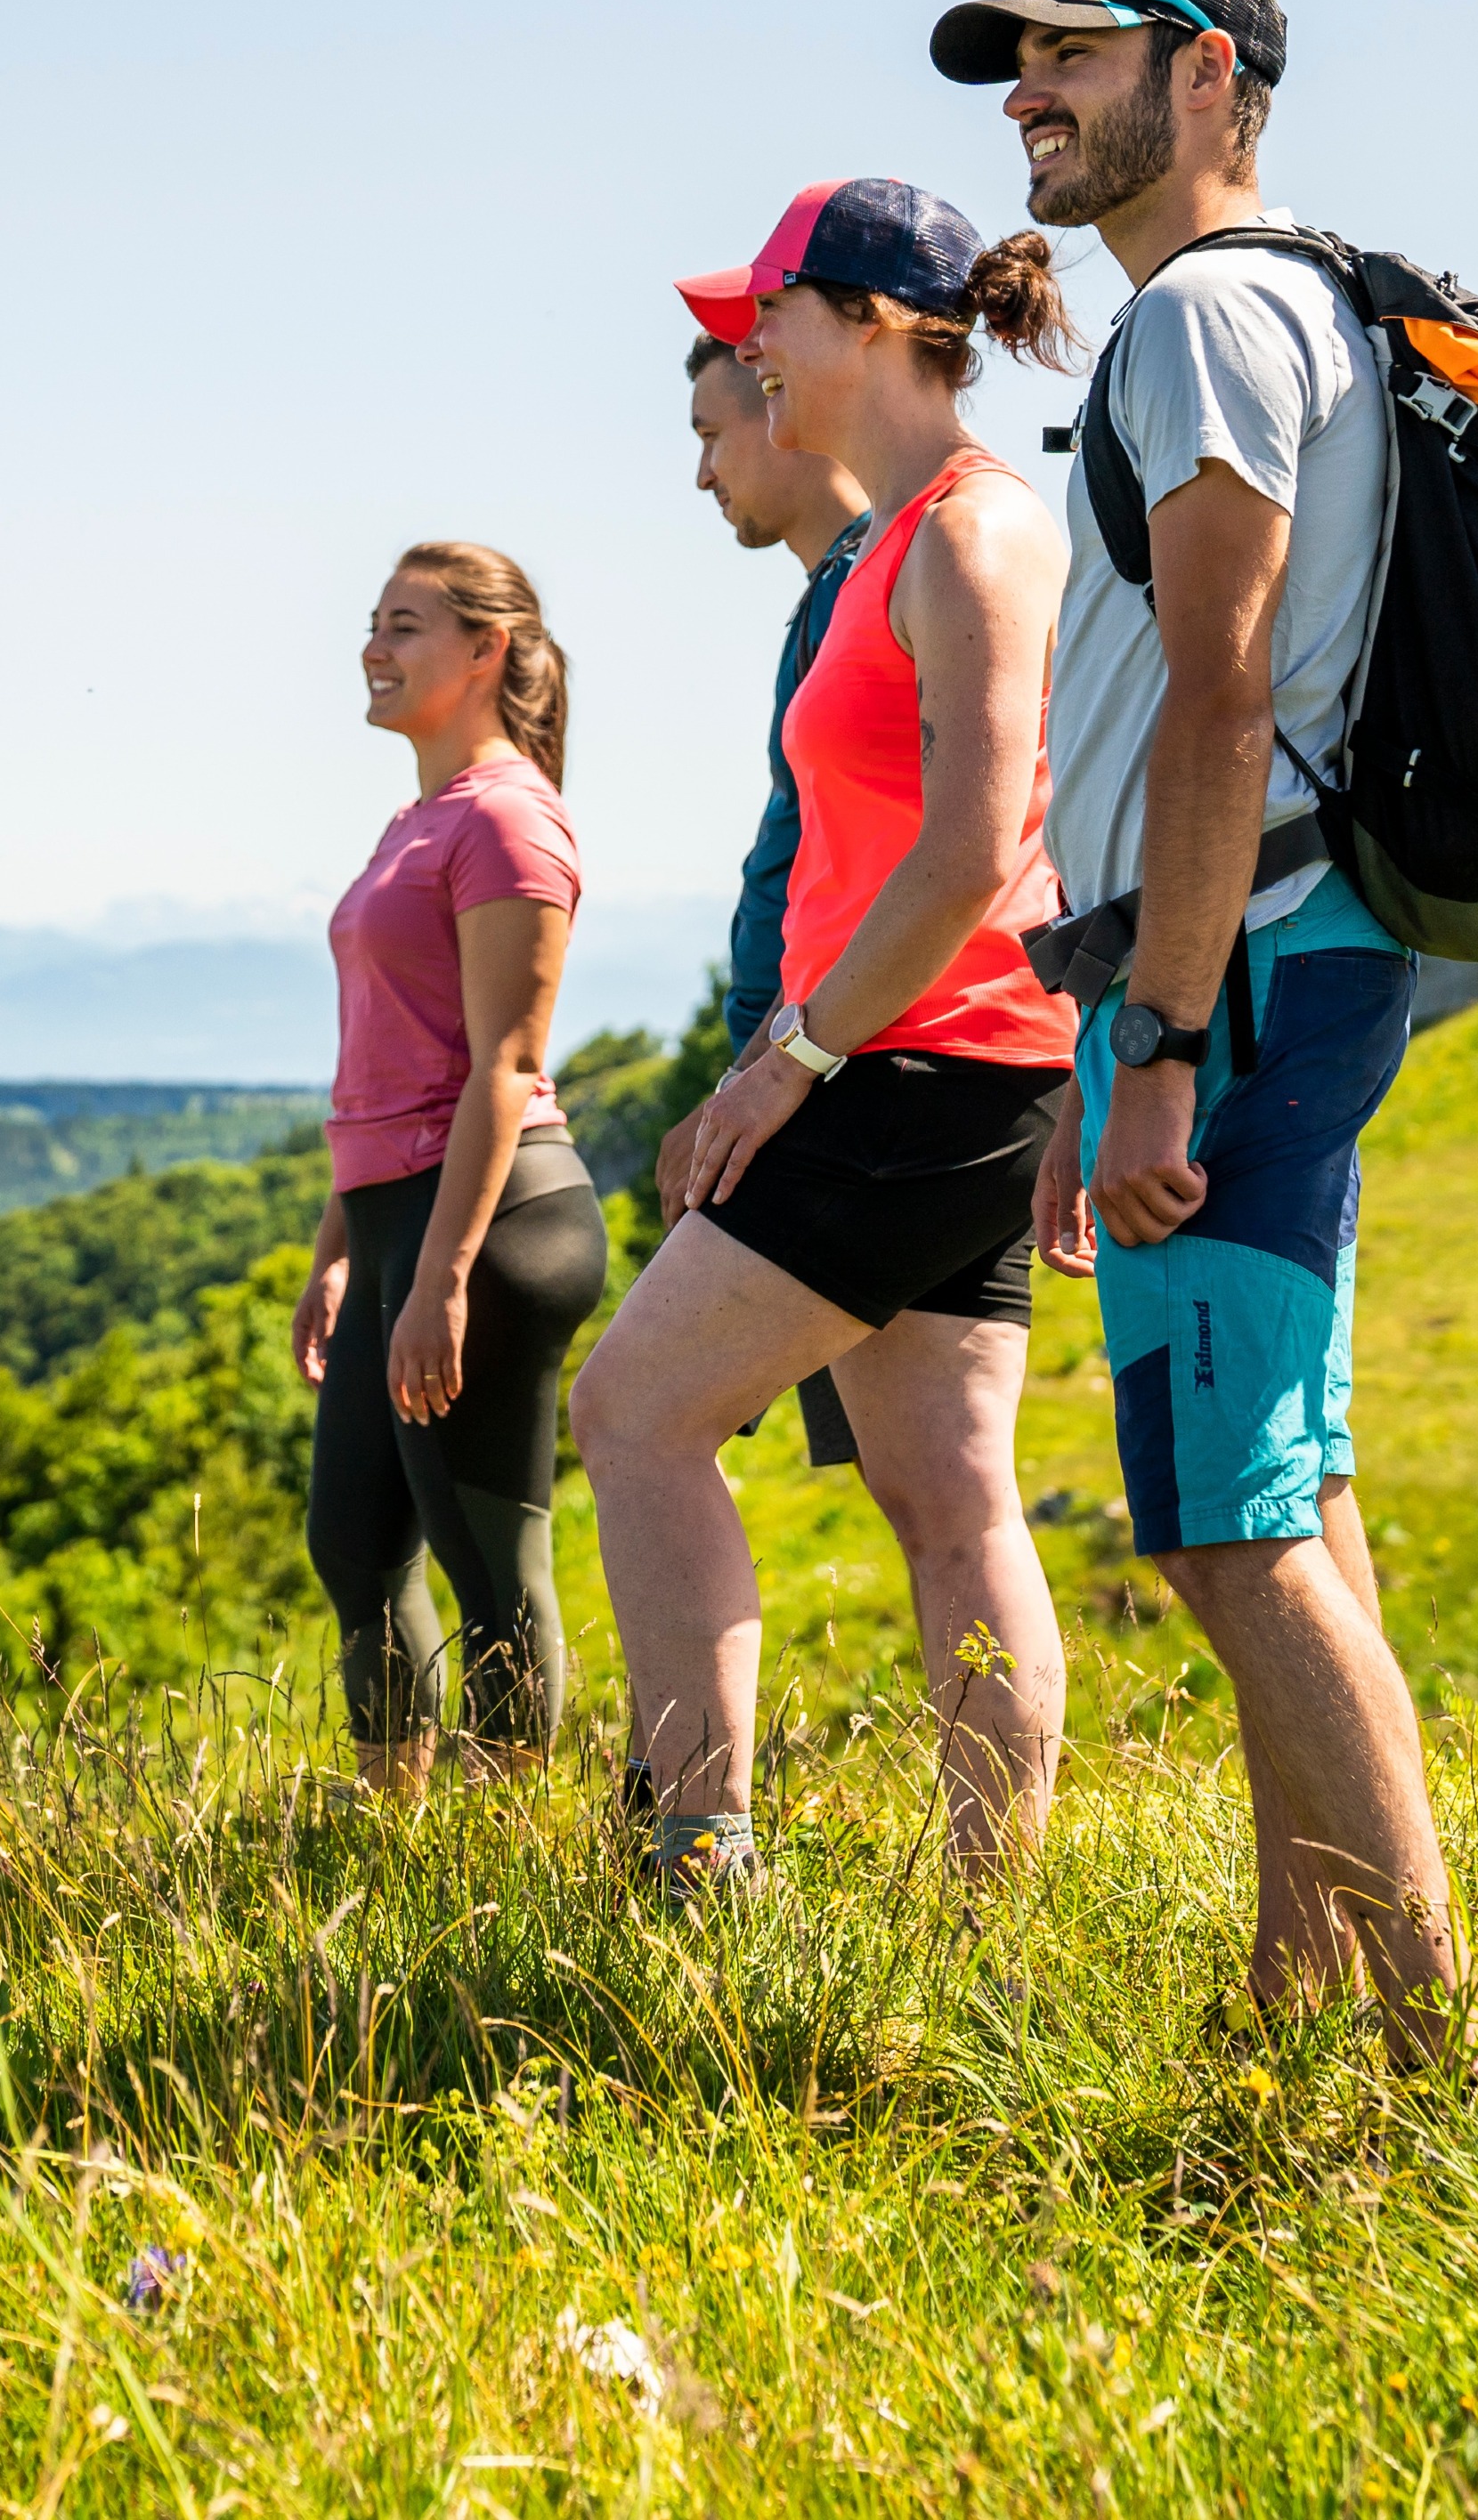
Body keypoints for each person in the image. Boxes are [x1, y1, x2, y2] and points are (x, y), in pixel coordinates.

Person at [931, 0, 1460, 2044]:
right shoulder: (1291, 311)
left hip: (1236, 973)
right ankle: (1293, 1992)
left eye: (1077, 48)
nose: (1028, 91)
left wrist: (1151, 1038)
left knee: (1228, 1528)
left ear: (1211, 79)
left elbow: (1224, 695)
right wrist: (1114, 1029)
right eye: (1017, 57)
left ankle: (1436, 2043)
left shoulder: (1198, 327)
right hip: (1255, 956)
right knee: (1292, 1501)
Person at [573, 178, 1082, 1887]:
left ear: (868, 323)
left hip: (913, 1062)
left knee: (635, 1410)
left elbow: (971, 845)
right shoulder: (911, 533)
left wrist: (787, 1061)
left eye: (776, 310)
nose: (756, 347)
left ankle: (698, 1848)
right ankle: (981, 1909)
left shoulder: (975, 529)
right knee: (950, 1500)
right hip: (936, 1057)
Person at [299, 544, 613, 1802]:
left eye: (407, 627)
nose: (374, 648)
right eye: (373, 624)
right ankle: (398, 1831)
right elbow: (380, 1064)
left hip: (487, 1220)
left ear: (487, 650)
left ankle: (506, 1848)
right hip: (398, 1220)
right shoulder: (416, 821)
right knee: (357, 1544)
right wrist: (341, 1250)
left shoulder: (506, 815)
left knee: (490, 1562)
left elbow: (506, 1062)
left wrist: (442, 1276)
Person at [684, 330, 873, 1475]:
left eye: (711, 436)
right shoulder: (828, 596)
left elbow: (852, 867)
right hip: (803, 1062)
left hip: (829, 1073)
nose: (702, 474)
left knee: (638, 1409)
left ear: (778, 403)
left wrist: (766, 1066)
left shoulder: (863, 587)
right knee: (922, 1477)